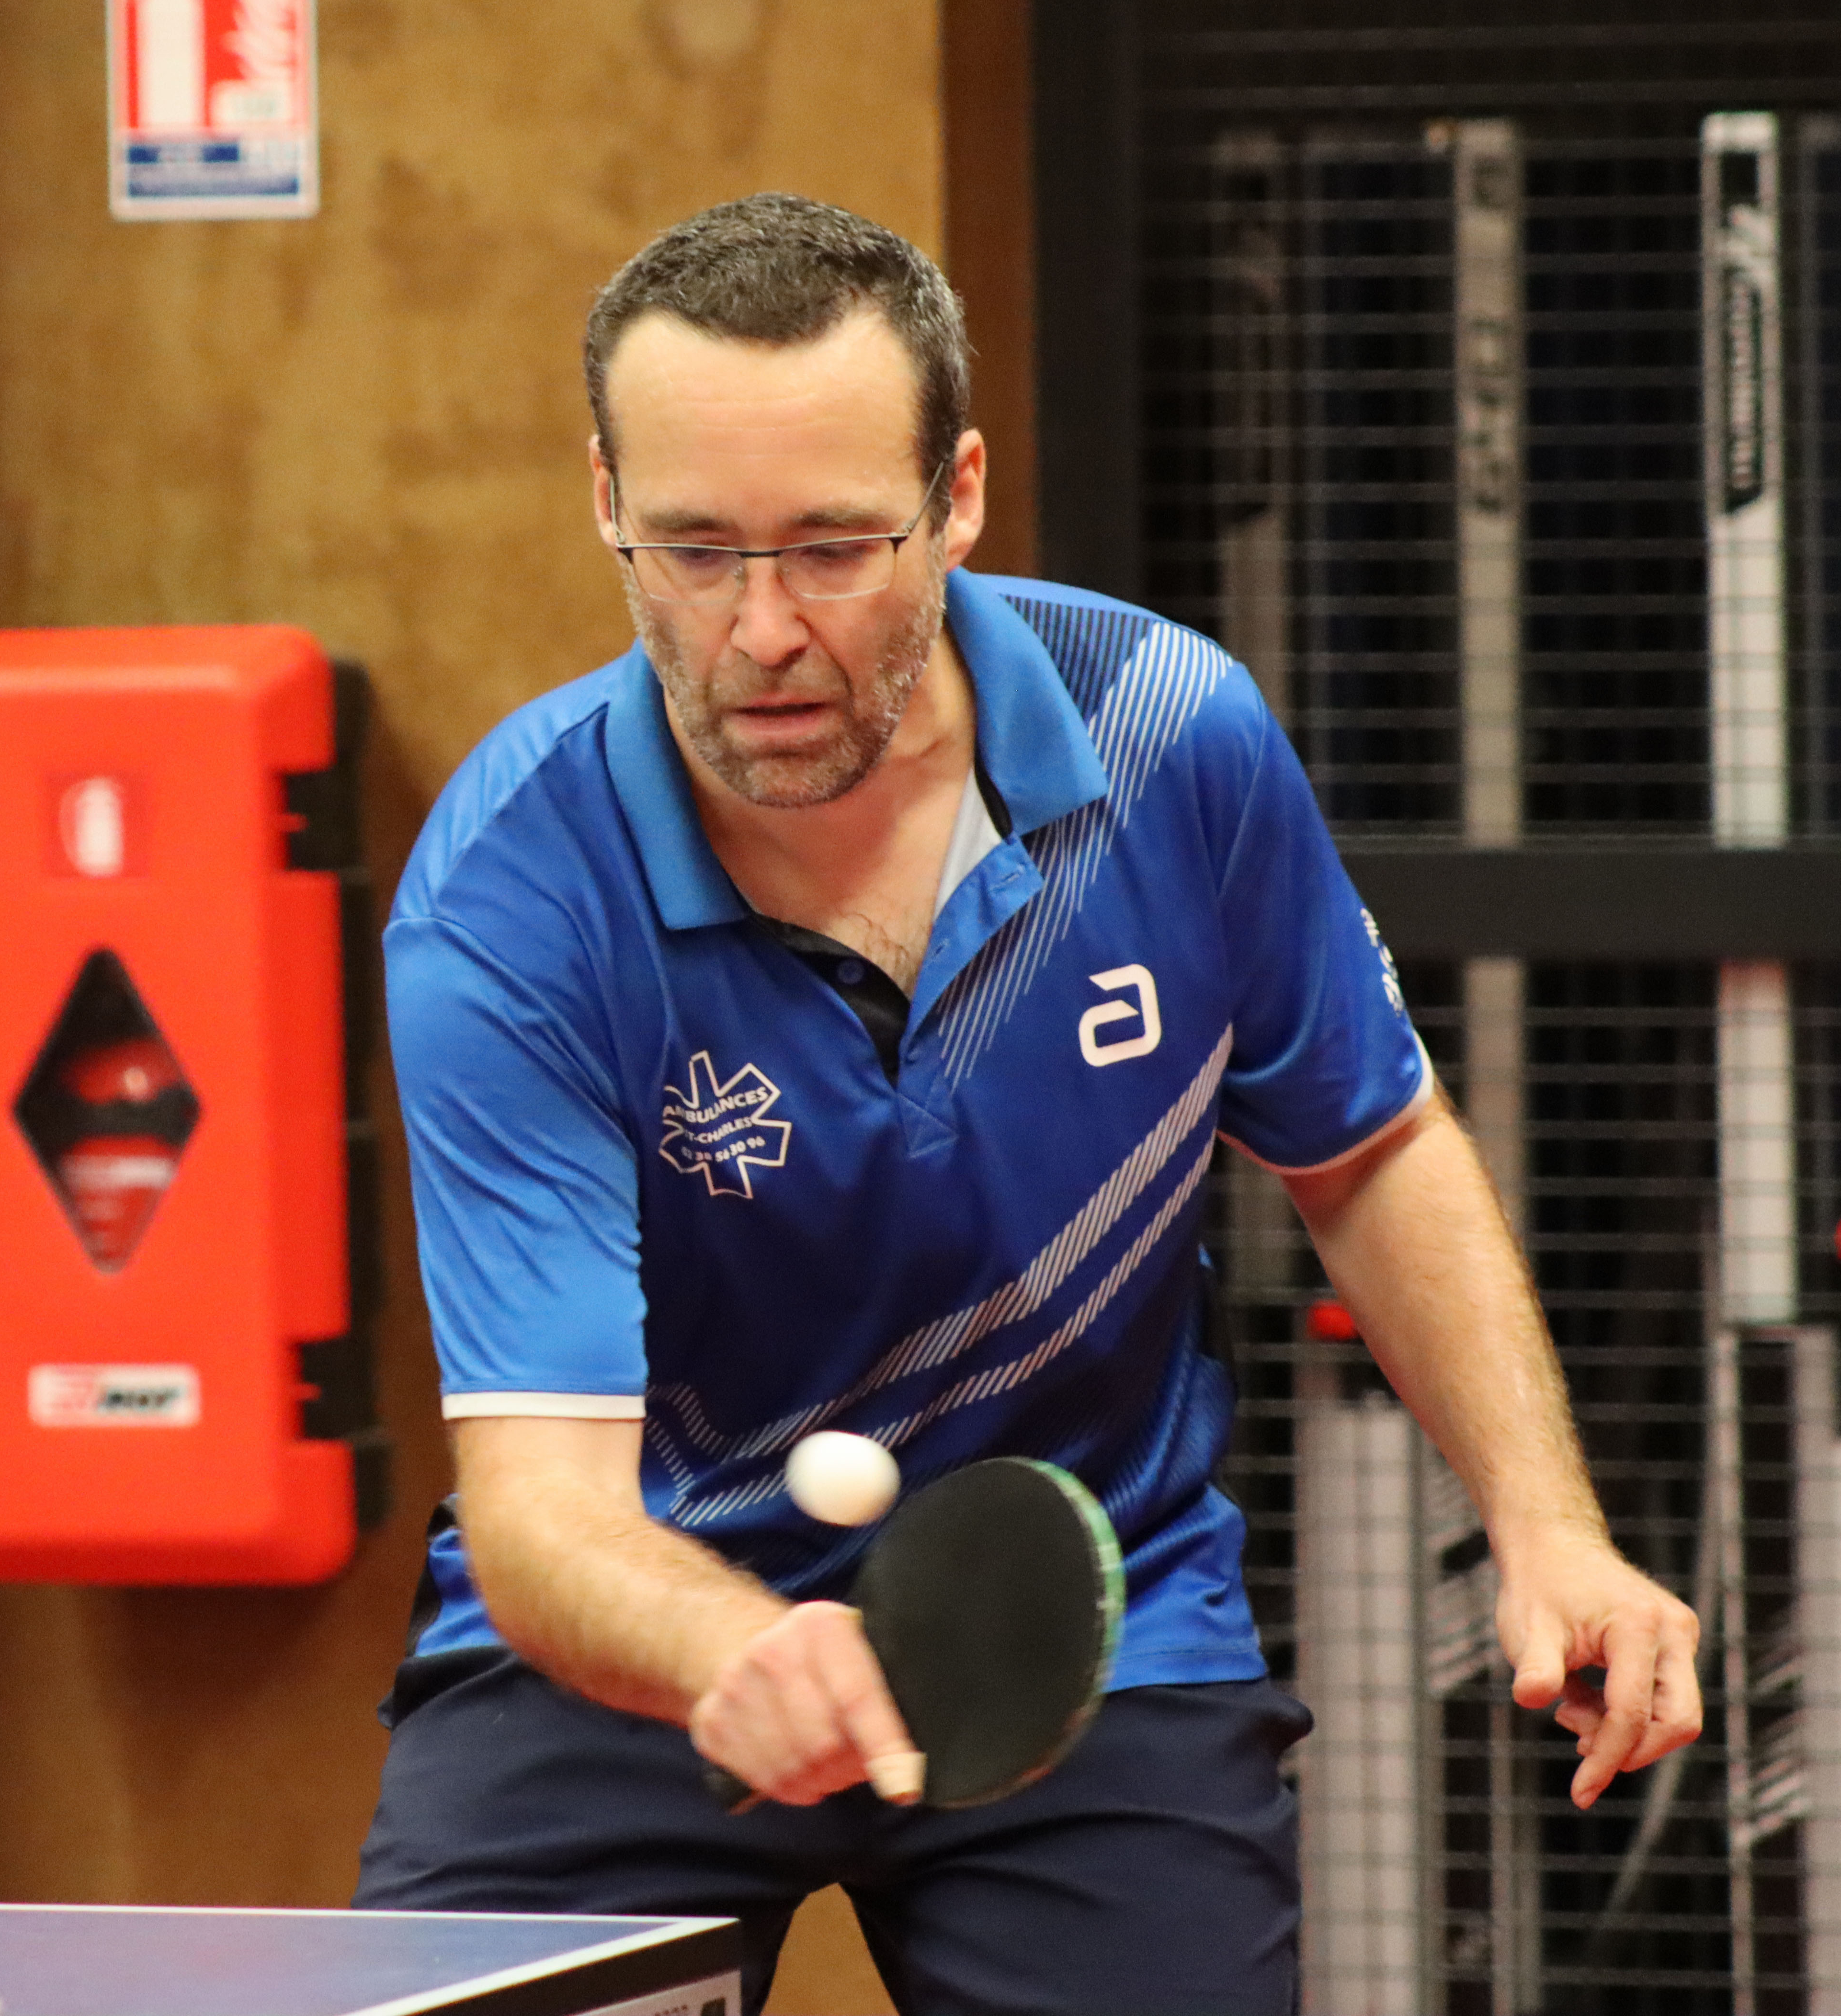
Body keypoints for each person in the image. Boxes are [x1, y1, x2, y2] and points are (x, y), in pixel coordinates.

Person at [352, 193, 1702, 2013]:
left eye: (837, 548)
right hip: (645, 1634)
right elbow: (539, 1511)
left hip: (1085, 1623)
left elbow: (1370, 1150)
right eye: (695, 550)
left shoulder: (1172, 742)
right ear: (607, 500)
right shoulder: (516, 892)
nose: (763, 630)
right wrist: (732, 1645)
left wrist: (1546, 1524)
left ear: (960, 495)